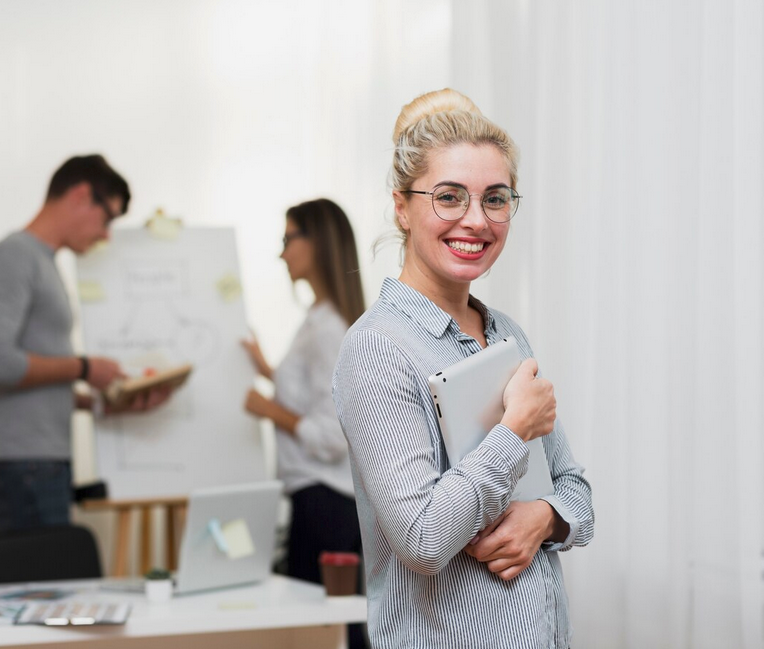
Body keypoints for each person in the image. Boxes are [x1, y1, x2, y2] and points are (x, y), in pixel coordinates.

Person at [332, 90, 595, 649]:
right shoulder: (377, 348)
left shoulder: (506, 334)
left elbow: (577, 494)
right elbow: (424, 540)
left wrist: (545, 518)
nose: (476, 221)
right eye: (449, 197)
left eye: (495, 199)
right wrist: (513, 431)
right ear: (402, 206)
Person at [0, 154, 170, 534]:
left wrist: (101, 402)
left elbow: (30, 376)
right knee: (45, 589)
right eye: (108, 218)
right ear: (81, 195)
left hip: (34, 462)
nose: (106, 234)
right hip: (22, 463)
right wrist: (84, 368)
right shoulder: (15, 256)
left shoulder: (42, 262)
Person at [242, 198, 366, 647]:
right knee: (327, 627)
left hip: (326, 501)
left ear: (317, 242)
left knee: (326, 630)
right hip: (320, 497)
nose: (281, 252)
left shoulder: (329, 328)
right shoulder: (319, 321)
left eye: (288, 239)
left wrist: (269, 408)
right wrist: (267, 370)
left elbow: (334, 433)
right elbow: (317, 399)